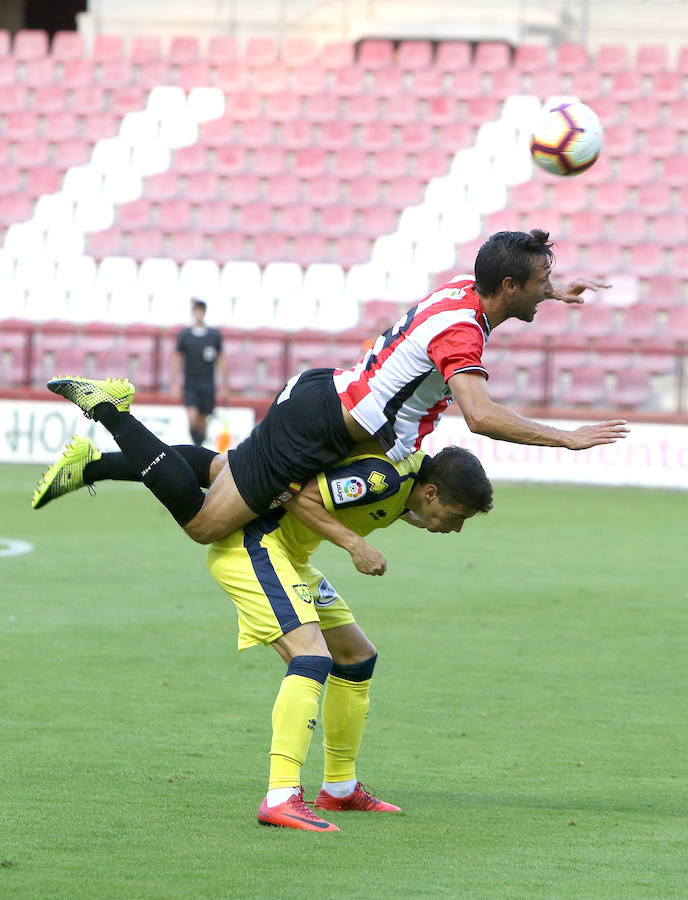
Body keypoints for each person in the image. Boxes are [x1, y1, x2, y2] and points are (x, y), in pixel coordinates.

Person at [42, 230, 629, 557]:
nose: (543, 293)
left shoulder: (464, 290)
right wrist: (566, 438)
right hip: (320, 427)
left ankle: (91, 468)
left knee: (223, 466)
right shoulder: (460, 331)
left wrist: (554, 291)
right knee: (204, 524)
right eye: (538, 285)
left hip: (328, 401)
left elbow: (507, 287)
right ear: (506, 286)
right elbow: (478, 415)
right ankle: (113, 412)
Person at [35, 435, 494, 831]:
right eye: (457, 514)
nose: (456, 527)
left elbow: (389, 510)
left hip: (289, 556)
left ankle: (339, 787)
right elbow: (300, 494)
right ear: (432, 492)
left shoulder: (405, 483)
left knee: (357, 655)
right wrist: (355, 545)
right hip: (253, 547)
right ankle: (280, 797)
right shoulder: (384, 477)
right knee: (311, 657)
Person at [173, 299, 225, 446]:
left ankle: (199, 447)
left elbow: (220, 359)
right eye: (197, 310)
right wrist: (174, 382)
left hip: (208, 383)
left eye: (201, 310)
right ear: (193, 312)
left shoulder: (214, 336)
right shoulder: (185, 335)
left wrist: (224, 384)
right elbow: (177, 358)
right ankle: (195, 445)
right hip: (191, 382)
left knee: (203, 419)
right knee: (192, 416)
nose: (199, 314)